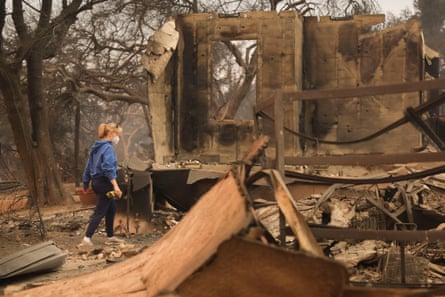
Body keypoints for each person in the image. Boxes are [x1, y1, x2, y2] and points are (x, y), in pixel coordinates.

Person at [80, 122, 124, 246]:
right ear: (110, 133)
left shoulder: (96, 147)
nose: (117, 137)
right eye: (117, 134)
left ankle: (110, 237)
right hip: (105, 183)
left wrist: (85, 183)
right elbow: (108, 168)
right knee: (100, 211)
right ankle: (87, 239)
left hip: (97, 182)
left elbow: (88, 167)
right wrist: (115, 185)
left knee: (112, 208)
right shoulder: (108, 148)